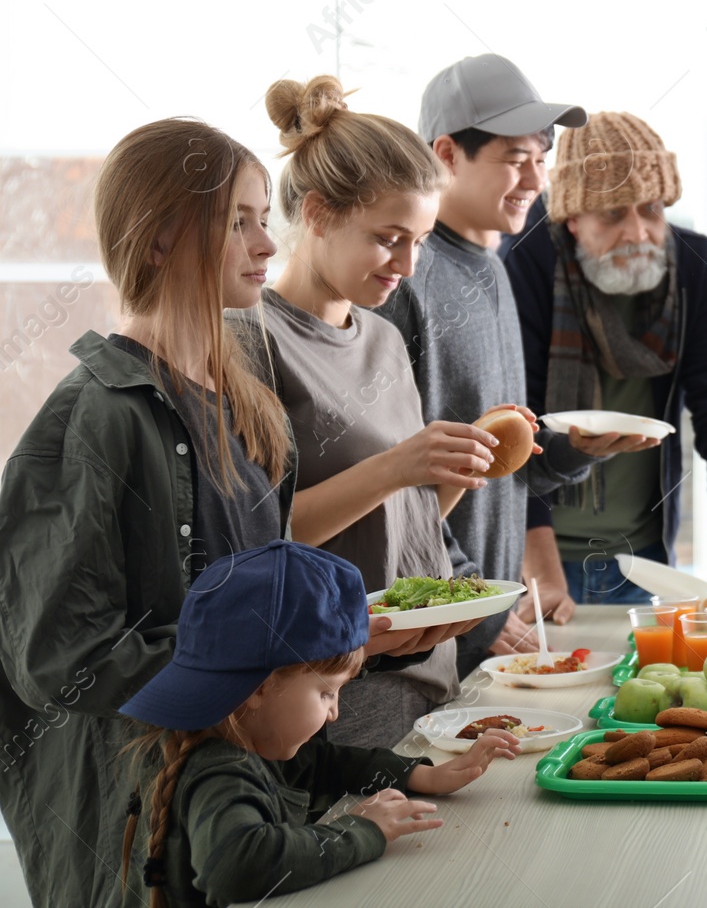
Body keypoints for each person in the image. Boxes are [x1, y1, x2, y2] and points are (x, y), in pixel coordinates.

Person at [0, 119, 448, 908]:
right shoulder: (92, 417)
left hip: (243, 818)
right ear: (160, 240)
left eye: (261, 217)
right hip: (137, 840)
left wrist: (340, 636)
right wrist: (254, 662)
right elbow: (57, 657)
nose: (265, 243)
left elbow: (262, 603)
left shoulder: (248, 408)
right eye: (235, 220)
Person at [375, 55, 658, 656]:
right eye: (514, 159)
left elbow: (502, 464)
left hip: (479, 618)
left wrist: (574, 453)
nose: (536, 179)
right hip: (430, 630)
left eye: (541, 157)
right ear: (446, 155)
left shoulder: (495, 270)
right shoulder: (403, 280)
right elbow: (390, 485)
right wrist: (473, 606)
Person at [246, 75, 486, 746]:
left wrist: (446, 477)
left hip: (434, 678)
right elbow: (259, 543)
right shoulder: (253, 340)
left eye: (421, 240)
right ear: (319, 214)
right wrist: (396, 466)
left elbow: (396, 526)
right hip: (342, 700)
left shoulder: (381, 336)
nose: (408, 265)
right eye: (389, 238)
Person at [119, 540, 517, 907]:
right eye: (327, 693)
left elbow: (322, 763)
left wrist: (420, 777)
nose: (334, 713)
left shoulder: (242, 735)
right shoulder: (223, 769)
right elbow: (237, 867)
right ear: (260, 687)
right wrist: (360, 830)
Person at [502, 111, 707, 605]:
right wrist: (543, 577)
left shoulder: (693, 265)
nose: (639, 233)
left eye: (651, 209)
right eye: (613, 214)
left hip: (642, 560)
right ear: (572, 218)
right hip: (535, 559)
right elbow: (515, 432)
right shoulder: (526, 262)